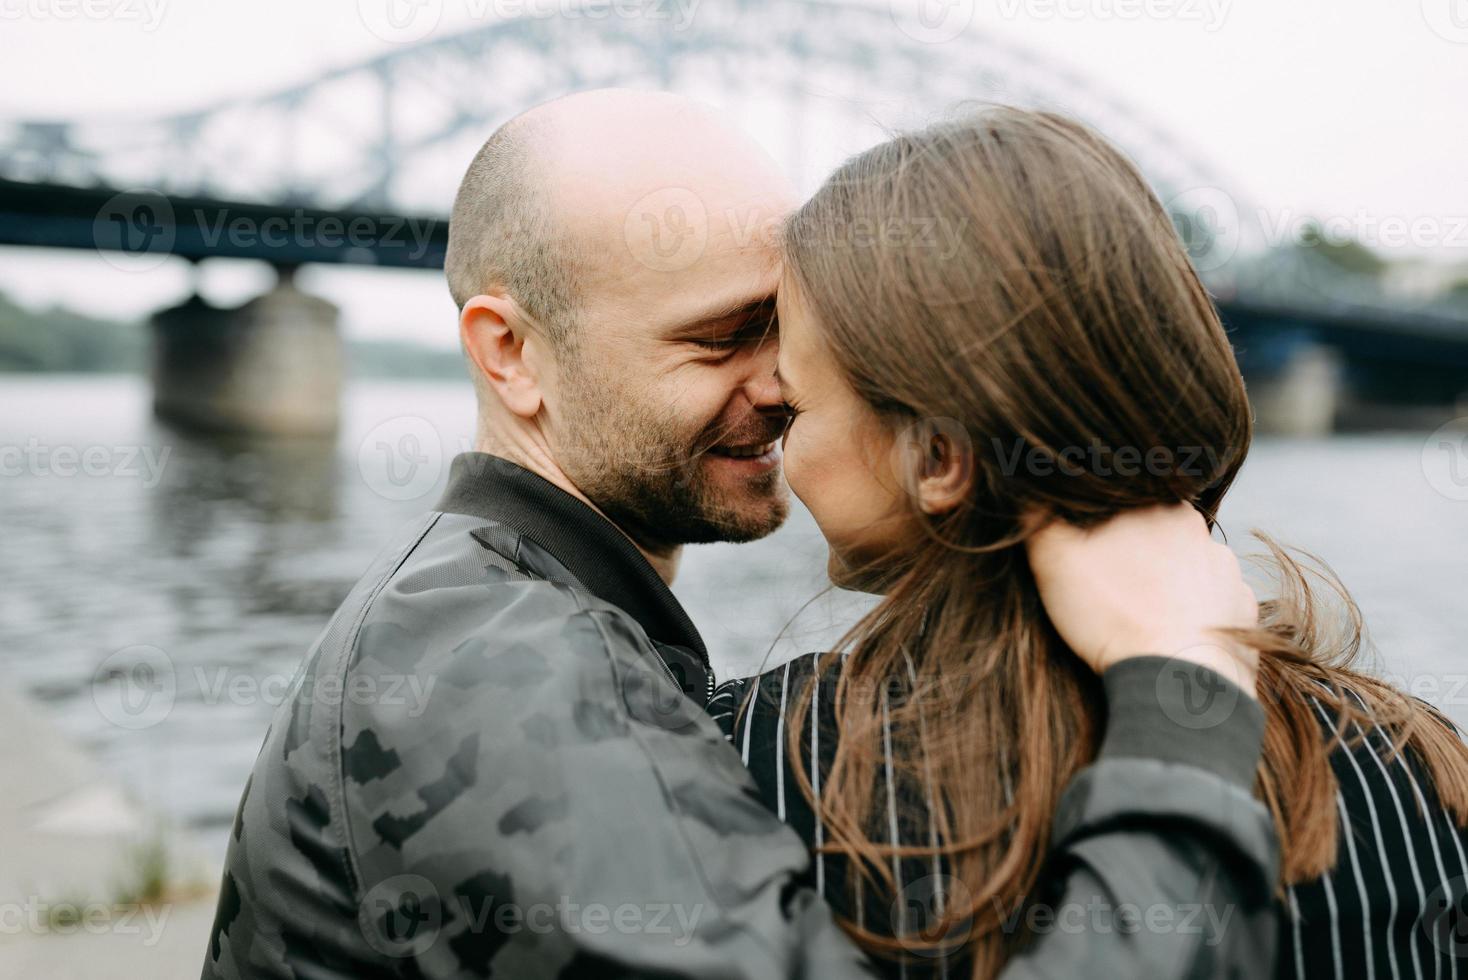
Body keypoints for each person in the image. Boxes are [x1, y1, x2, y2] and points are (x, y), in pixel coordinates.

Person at [200, 90, 1276, 979]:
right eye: (720, 338)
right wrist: (1185, 695)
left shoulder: (512, 605)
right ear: (510, 352)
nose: (786, 382)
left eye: (789, 325)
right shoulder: (486, 667)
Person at [712, 105, 1468, 980]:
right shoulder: (1406, 762)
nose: (777, 440)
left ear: (942, 460)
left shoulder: (750, 772)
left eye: (795, 407)